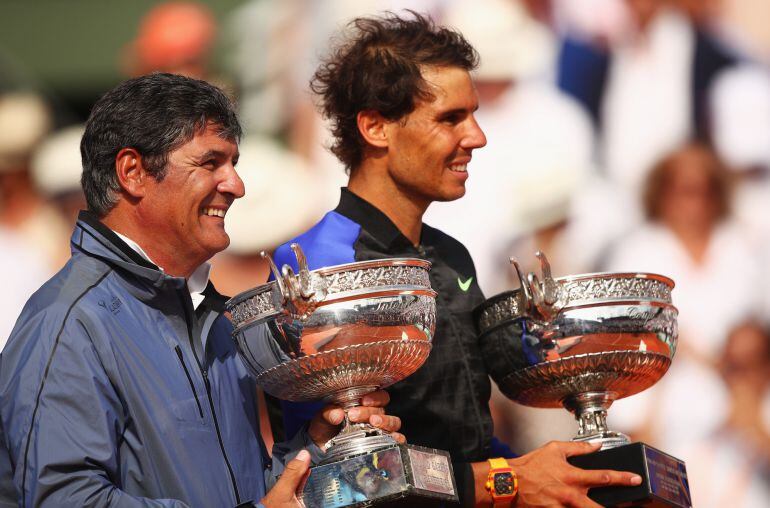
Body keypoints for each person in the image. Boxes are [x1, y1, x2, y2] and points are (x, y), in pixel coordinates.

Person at [272, 12, 642, 507]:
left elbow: (469, 436)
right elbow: (346, 480)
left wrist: (557, 474)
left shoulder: (451, 255)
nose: (477, 137)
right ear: (376, 127)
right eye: (450, 119)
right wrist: (511, 480)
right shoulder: (316, 264)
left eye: (473, 113)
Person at [0, 72, 402, 507]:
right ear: (133, 172)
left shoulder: (215, 319)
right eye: (211, 163)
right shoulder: (68, 324)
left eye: (233, 163)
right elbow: (62, 500)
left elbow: (249, 492)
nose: (236, 185)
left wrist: (316, 449)